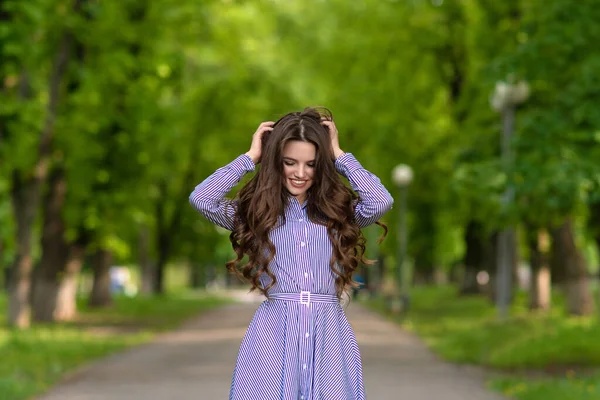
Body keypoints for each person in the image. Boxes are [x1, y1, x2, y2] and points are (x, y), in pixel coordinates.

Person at [189, 107, 393, 400]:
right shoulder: (257, 213)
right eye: (289, 162)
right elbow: (202, 198)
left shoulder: (337, 212)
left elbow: (380, 201)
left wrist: (339, 155)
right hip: (273, 336)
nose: (300, 173)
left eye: (311, 164)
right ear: (276, 162)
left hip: (329, 336)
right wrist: (249, 158)